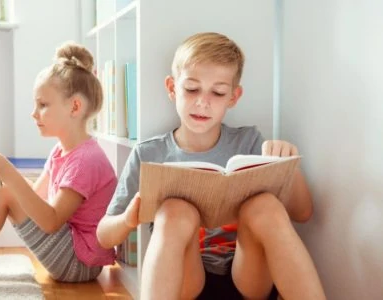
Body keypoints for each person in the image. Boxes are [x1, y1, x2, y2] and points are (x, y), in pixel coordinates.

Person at [96, 32, 326, 300]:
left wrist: (288, 165)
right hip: (186, 282)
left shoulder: (248, 141)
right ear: (172, 88)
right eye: (192, 89)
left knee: (265, 205)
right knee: (174, 210)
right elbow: (103, 235)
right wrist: (128, 220)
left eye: (217, 92)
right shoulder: (149, 153)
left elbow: (303, 212)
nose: (203, 101)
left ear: (233, 97)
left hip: (248, 277)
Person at [0, 42, 117, 287]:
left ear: (74, 106)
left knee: (4, 190)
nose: (34, 113)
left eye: (43, 105)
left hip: (79, 263)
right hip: (69, 250)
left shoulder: (87, 160)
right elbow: (33, 196)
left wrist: (9, 174)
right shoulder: (62, 151)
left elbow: (51, 220)